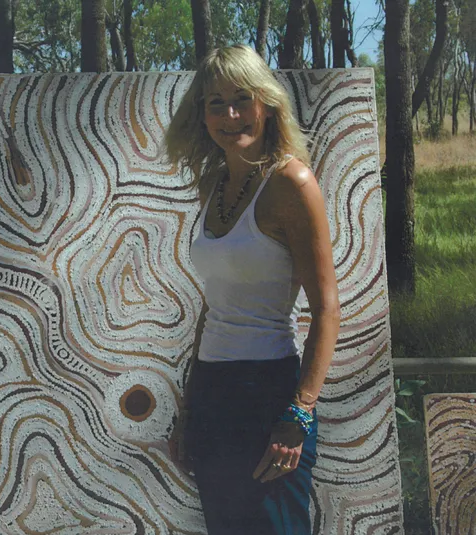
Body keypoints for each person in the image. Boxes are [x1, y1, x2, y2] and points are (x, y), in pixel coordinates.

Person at [165, 45, 340, 534]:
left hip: (269, 394)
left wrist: (300, 412)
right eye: (215, 102)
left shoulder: (292, 182)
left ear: (267, 104)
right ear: (201, 115)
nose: (231, 114)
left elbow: (327, 307)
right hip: (213, 392)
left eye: (242, 98)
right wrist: (189, 405)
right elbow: (214, 306)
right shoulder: (212, 186)